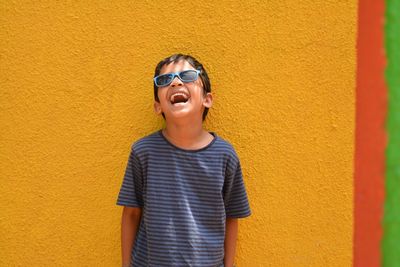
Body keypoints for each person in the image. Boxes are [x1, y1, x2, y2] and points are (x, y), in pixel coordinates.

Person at [116, 54, 251, 267]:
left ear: (207, 99)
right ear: (157, 106)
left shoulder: (225, 155)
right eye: (164, 80)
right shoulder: (143, 152)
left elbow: (232, 216)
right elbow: (131, 212)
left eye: (187, 76)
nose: (176, 82)